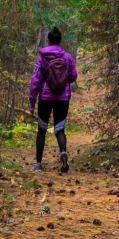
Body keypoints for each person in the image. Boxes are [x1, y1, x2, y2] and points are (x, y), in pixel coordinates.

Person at [28, 27, 78, 172]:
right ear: (60, 41)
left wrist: (32, 101)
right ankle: (63, 152)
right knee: (59, 129)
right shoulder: (67, 57)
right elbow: (73, 76)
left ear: (48, 41)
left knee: (42, 130)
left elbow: (35, 81)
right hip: (62, 99)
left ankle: (38, 164)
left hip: (45, 98)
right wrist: (63, 82)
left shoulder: (42, 58)